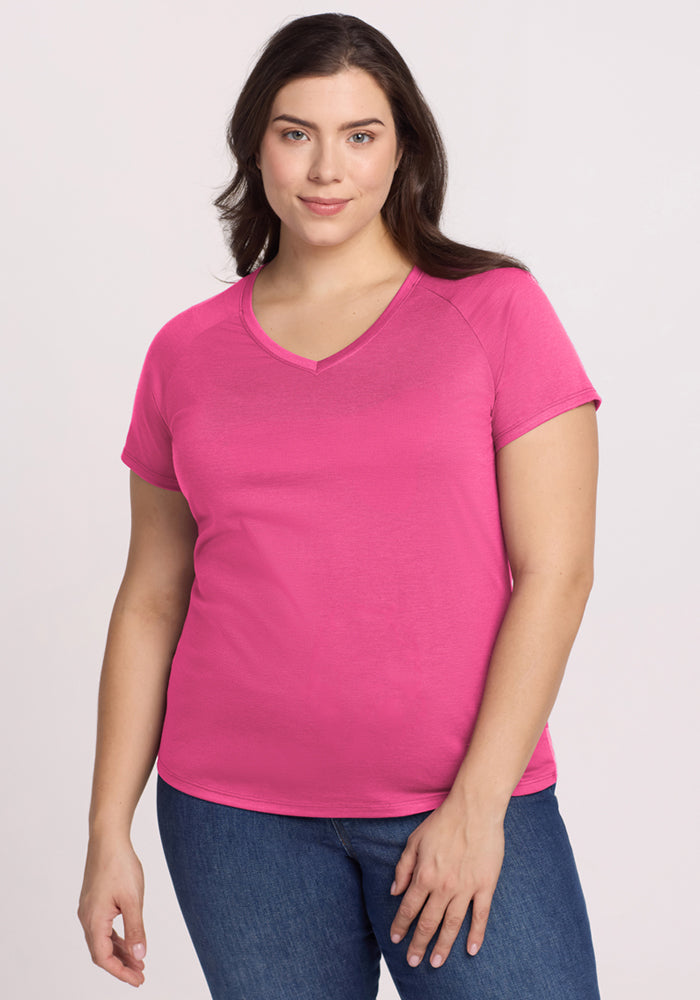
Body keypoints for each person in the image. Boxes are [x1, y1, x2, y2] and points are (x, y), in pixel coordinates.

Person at [78, 12, 602, 1000]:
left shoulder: (494, 310)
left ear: (402, 148)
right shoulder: (185, 352)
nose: (326, 169)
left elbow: (557, 571)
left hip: (459, 799)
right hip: (234, 820)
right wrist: (110, 827)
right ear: (256, 144)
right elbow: (153, 593)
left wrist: (476, 805)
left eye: (359, 135)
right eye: (295, 132)